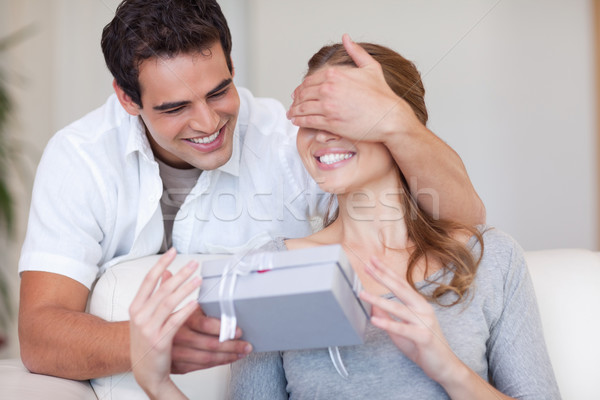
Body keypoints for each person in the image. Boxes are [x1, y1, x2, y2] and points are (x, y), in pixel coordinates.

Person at [18, 0, 484, 383]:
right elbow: (39, 333)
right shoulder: (81, 159)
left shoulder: (284, 141)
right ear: (127, 99)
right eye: (176, 107)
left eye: (219, 91)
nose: (207, 123)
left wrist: (399, 120)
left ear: (232, 65)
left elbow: (461, 218)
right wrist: (152, 344)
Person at [128, 37, 559, 399]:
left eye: (342, 116)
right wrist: (156, 382)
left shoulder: (493, 259)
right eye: (308, 119)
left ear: (399, 123)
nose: (321, 135)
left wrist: (448, 368)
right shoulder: (272, 269)